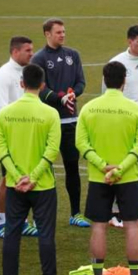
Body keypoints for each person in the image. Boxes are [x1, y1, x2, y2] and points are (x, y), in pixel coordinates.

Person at [0, 63, 69, 275]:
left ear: (21, 84)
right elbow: (52, 149)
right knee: (46, 235)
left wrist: (17, 177)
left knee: (11, 233)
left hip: (14, 187)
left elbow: (0, 148)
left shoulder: (6, 113)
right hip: (43, 185)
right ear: (43, 85)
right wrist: (34, 177)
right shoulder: (51, 113)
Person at [76, 61, 138, 275]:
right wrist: (121, 169)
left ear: (104, 79)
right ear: (124, 81)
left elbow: (81, 143)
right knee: (132, 226)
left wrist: (102, 166)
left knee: (98, 226)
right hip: (127, 178)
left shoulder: (89, 108)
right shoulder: (135, 109)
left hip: (99, 178)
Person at [31, 18, 89, 228]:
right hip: (47, 121)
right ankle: (38, 218)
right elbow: (40, 88)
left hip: (71, 122)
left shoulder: (73, 55)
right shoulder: (39, 58)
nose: (62, 35)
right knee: (42, 168)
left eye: (63, 32)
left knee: (72, 166)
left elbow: (81, 81)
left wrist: (74, 94)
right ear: (47, 34)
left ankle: (75, 213)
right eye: (58, 32)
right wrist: (58, 98)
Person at [106, 25, 138, 227]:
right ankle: (116, 211)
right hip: (122, 123)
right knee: (120, 168)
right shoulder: (117, 62)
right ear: (129, 41)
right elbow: (108, 93)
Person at [0, 36, 37, 238]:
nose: (31, 53)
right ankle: (1, 224)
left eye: (32, 50)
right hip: (11, 137)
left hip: (28, 136)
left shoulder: (26, 72)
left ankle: (22, 222)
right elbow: (1, 110)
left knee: (25, 177)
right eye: (27, 50)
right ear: (15, 52)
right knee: (7, 179)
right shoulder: (3, 75)